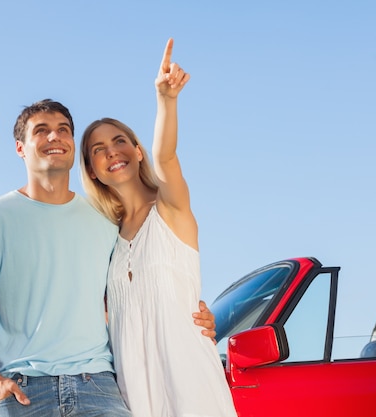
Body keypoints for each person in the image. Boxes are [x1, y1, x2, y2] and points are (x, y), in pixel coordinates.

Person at [0, 97, 216, 417]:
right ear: (20, 148)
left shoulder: (105, 221)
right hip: (26, 394)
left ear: (72, 145)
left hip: (100, 388)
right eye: (41, 131)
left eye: (63, 130)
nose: (54, 137)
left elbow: (130, 289)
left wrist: (192, 312)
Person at [80, 38, 237, 416]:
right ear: (92, 170)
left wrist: (166, 100)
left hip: (190, 385)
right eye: (98, 149)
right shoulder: (105, 239)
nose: (111, 151)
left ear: (137, 150)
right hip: (132, 393)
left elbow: (166, 156)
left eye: (120, 141)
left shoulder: (171, 206)